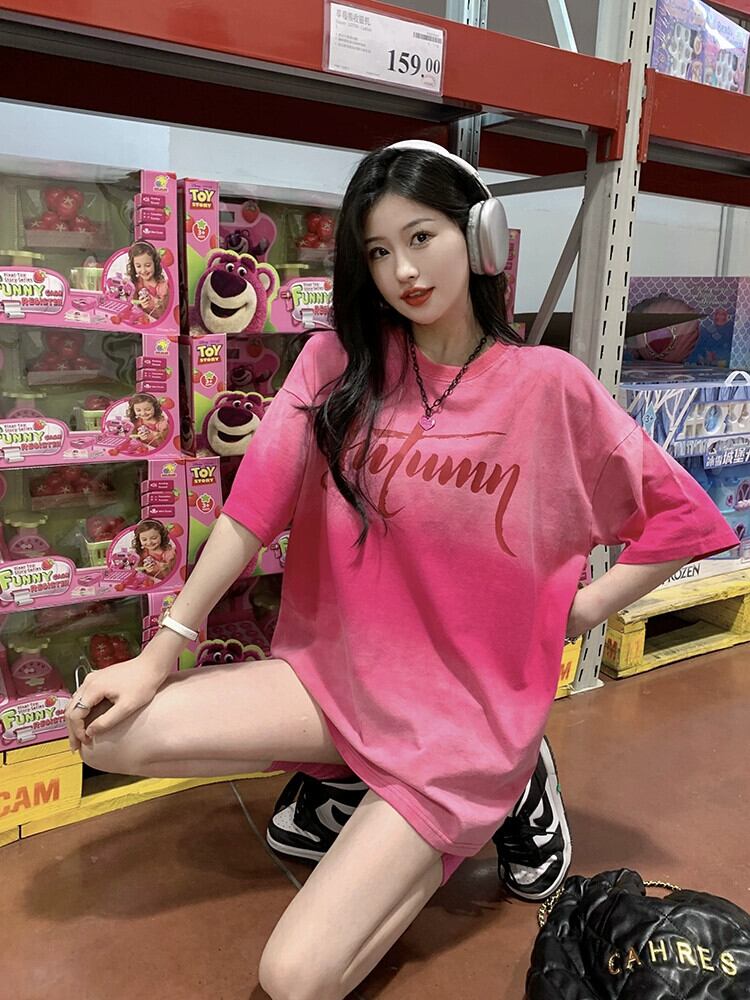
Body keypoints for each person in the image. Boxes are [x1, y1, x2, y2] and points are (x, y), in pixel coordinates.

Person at [65, 141, 738, 1000]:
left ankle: (510, 779)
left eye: (422, 238)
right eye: (379, 252)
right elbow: (253, 509)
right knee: (108, 733)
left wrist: (582, 611)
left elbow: (682, 518)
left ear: (479, 235)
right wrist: (161, 651)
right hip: (333, 680)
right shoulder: (336, 364)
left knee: (294, 978)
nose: (403, 272)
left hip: (459, 723)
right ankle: (356, 777)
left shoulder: (549, 388)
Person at [127, 240, 169, 321]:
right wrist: (139, 303)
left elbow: (165, 314)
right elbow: (130, 303)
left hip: (158, 322)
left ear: (155, 263)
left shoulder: (163, 286)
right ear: (133, 266)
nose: (143, 270)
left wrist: (157, 305)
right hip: (140, 320)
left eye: (147, 265)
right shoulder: (136, 283)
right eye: (138, 266)